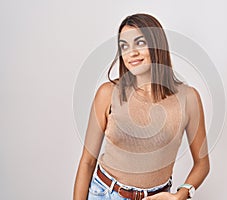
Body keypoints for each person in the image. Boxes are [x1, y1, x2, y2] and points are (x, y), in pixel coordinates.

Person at [73, 13, 210, 200]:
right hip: (105, 194)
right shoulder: (108, 94)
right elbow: (87, 162)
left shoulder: (189, 98)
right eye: (124, 46)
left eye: (140, 43)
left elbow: (202, 163)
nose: (132, 53)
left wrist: (181, 194)